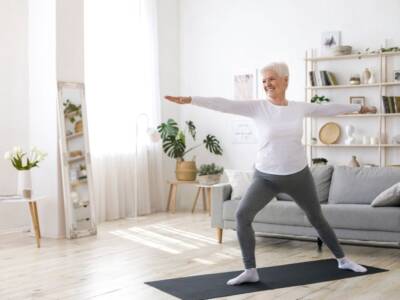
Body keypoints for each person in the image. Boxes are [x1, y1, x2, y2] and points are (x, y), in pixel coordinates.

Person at [164, 62, 375, 286]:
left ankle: (342, 260)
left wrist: (360, 109)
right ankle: (250, 270)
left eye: (272, 79)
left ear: (285, 80)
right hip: (266, 177)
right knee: (242, 216)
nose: (267, 84)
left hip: (298, 175)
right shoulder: (257, 107)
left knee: (317, 218)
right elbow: (224, 105)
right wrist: (191, 99)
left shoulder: (298, 107)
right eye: (264, 81)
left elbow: (329, 108)